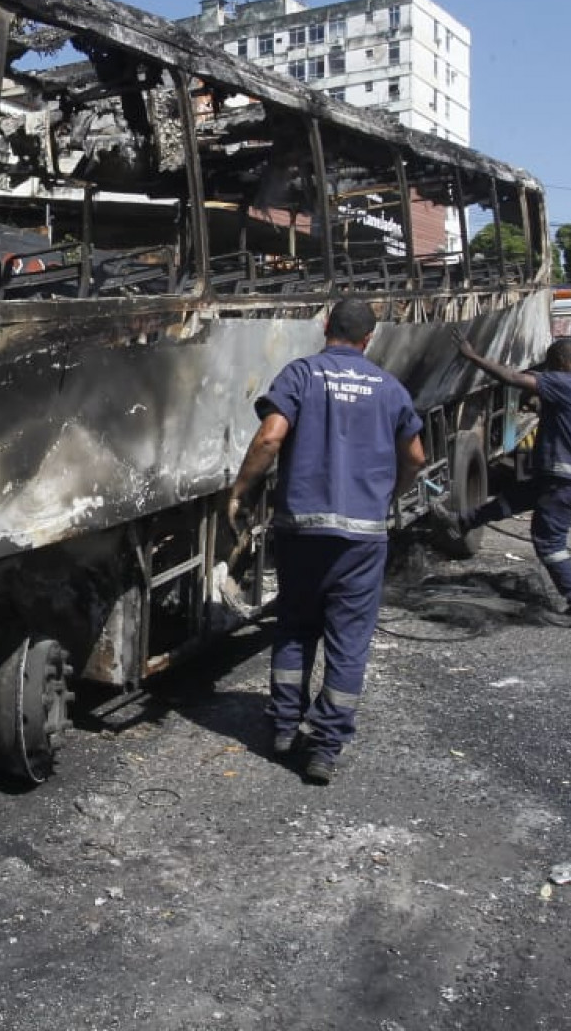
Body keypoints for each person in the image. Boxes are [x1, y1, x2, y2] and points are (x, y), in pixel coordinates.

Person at [226, 298, 425, 785]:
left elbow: (270, 437)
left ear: (324, 326)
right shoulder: (389, 388)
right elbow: (416, 458)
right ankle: (325, 747)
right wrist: (389, 494)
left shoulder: (302, 375)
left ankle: (283, 728)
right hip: (362, 538)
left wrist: (241, 491)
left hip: (303, 530)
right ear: (369, 339)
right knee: (348, 641)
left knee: (295, 626)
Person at [432, 334, 571, 629]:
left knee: (549, 541)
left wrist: (472, 356)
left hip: (562, 479)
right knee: (514, 498)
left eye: (549, 367)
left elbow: (513, 378)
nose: (547, 373)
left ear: (560, 363)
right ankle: (461, 521)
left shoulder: (564, 382)